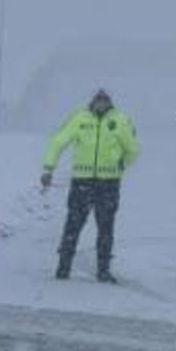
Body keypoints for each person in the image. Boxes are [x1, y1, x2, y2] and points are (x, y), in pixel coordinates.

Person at [41, 89, 141, 283]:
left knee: (105, 228)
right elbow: (58, 141)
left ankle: (103, 270)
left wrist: (121, 165)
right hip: (82, 181)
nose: (101, 104)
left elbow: (133, 149)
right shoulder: (80, 118)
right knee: (73, 226)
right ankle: (63, 268)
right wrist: (48, 168)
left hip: (108, 183)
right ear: (93, 102)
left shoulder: (120, 121)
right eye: (98, 101)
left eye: (104, 101)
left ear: (109, 103)